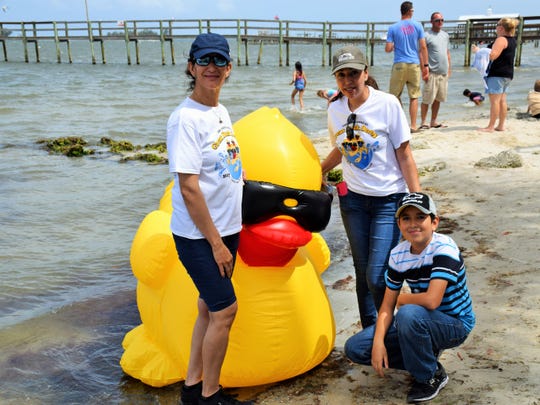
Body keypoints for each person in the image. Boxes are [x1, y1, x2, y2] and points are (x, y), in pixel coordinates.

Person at [166, 32, 252, 405]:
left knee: (208, 306)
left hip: (226, 228)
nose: (212, 68)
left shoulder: (219, 111)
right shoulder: (185, 119)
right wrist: (216, 244)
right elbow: (188, 188)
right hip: (199, 236)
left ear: (229, 68)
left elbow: (226, 162)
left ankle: (192, 385)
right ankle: (210, 395)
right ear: (191, 67)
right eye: (204, 62)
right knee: (225, 311)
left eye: (219, 62)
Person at [320, 45, 421, 328]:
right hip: (352, 202)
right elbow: (341, 149)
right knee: (362, 271)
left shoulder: (387, 104)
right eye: (341, 76)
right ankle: (371, 334)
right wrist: (316, 170)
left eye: (354, 73)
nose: (348, 81)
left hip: (389, 200)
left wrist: (418, 200)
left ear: (366, 73)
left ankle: (392, 331)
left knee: (377, 275)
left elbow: (404, 154)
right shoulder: (335, 109)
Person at [344, 192, 476, 404]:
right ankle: (425, 358)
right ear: (398, 224)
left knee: (408, 313)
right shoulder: (398, 254)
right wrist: (378, 342)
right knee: (356, 348)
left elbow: (432, 301)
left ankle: (429, 376)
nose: (413, 224)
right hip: (421, 320)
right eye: (406, 218)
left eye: (420, 217)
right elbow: (387, 305)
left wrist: (403, 300)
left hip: (455, 324)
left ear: (434, 222)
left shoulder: (444, 248)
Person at [385, 1, 429, 133]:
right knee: (414, 96)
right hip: (414, 64)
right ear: (410, 11)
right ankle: (413, 125)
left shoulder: (393, 28)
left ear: (401, 11)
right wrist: (425, 65)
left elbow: (388, 48)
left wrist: (393, 45)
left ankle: (400, 123)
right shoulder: (418, 26)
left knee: (394, 96)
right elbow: (423, 47)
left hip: (399, 64)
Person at [479, 17, 519, 132]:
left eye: (497, 25)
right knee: (502, 100)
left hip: (497, 73)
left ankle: (491, 126)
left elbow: (493, 56)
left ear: (501, 28)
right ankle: (500, 125)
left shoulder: (501, 39)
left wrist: (479, 52)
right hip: (508, 74)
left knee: (495, 101)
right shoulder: (512, 40)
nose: (496, 28)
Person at [420, 12, 451, 129]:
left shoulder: (445, 35)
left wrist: (449, 68)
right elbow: (421, 53)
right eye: (437, 20)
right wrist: (424, 68)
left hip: (443, 72)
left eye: (442, 20)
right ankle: (423, 122)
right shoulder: (426, 35)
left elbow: (447, 53)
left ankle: (433, 121)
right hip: (431, 71)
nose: (440, 22)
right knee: (427, 99)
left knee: (438, 99)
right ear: (431, 21)